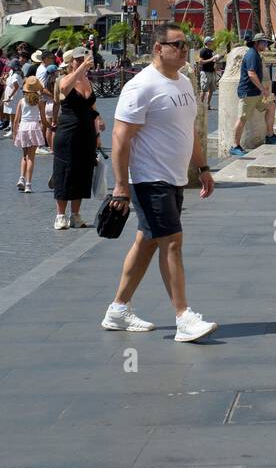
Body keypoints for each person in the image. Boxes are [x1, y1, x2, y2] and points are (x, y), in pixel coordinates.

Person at [101, 23, 216, 342]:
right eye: (177, 45)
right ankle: (184, 317)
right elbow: (120, 138)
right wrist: (120, 185)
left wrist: (203, 166)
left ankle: (118, 309)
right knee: (172, 241)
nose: (184, 50)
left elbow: (188, 129)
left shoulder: (183, 82)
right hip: (149, 178)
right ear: (158, 48)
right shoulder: (141, 86)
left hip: (175, 177)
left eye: (186, 45)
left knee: (148, 241)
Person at [52, 47, 104, 230]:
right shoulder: (64, 79)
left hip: (86, 133)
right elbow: (65, 89)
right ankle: (60, 215)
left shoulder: (87, 81)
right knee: (64, 172)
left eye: (84, 58)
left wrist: (98, 130)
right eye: (78, 59)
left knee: (82, 173)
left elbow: (93, 108)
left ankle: (75, 214)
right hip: (67, 132)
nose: (82, 61)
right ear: (71, 61)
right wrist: (80, 69)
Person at [231, 32, 276, 156]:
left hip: (256, 93)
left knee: (271, 106)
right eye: (264, 42)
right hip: (248, 93)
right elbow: (251, 74)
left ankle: (270, 135)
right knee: (242, 118)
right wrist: (263, 89)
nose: (266, 44)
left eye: (267, 42)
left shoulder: (256, 54)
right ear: (257, 43)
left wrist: (262, 89)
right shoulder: (252, 54)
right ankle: (234, 145)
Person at [13, 76, 47, 193]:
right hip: (34, 127)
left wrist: (14, 133)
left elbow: (16, 119)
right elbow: (43, 119)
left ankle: (21, 178)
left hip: (23, 128)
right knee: (31, 158)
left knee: (24, 155)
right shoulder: (40, 101)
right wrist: (50, 126)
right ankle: (28, 184)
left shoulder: (21, 101)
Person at [2, 60, 24, 138]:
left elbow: (16, 87)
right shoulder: (12, 72)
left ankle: (14, 131)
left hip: (15, 96)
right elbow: (9, 84)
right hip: (12, 94)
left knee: (14, 114)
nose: (9, 67)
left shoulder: (16, 75)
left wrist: (9, 97)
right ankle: (12, 130)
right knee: (11, 113)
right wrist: (3, 79)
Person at [197, 37, 218, 112]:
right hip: (205, 72)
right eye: (211, 41)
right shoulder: (203, 50)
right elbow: (200, 62)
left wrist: (215, 61)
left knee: (211, 90)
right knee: (204, 90)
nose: (212, 42)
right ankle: (200, 106)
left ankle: (208, 105)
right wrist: (211, 59)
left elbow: (213, 61)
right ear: (207, 42)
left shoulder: (211, 51)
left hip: (212, 72)